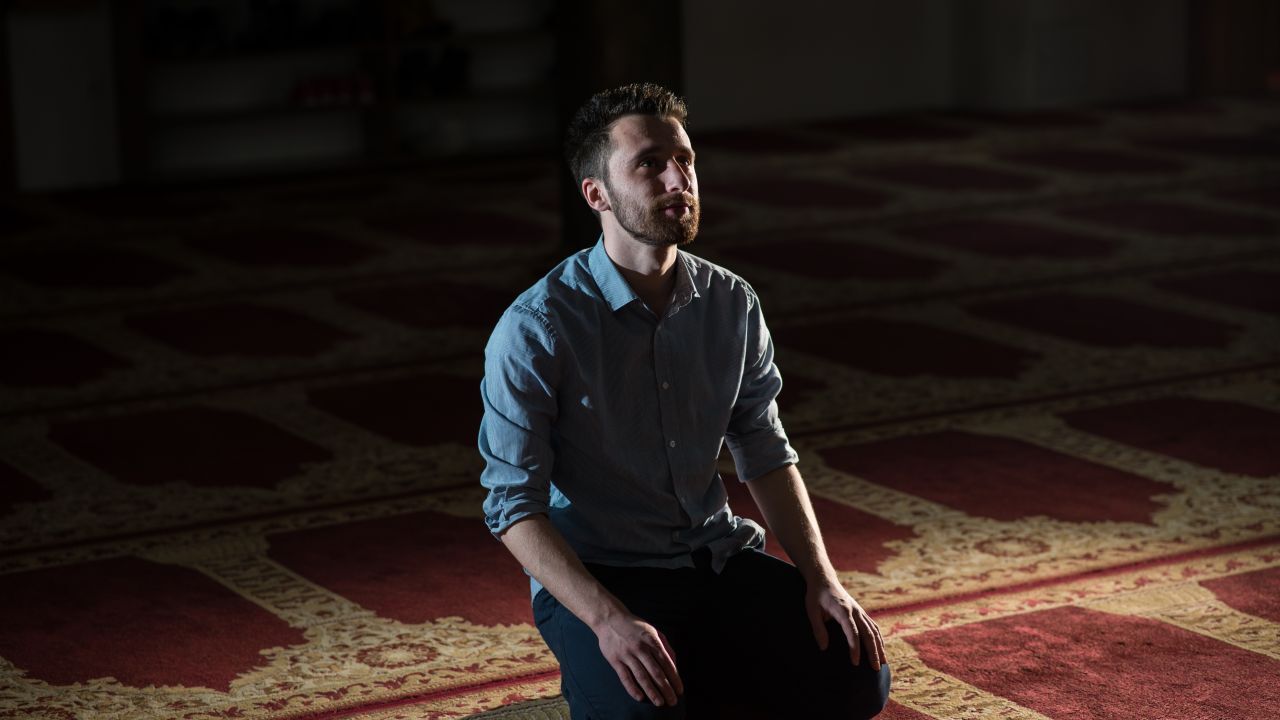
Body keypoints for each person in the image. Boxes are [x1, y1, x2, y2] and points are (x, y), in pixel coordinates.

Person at [479, 82, 891, 719]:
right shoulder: (537, 328)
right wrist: (608, 621)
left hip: (714, 558)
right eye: (649, 164)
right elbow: (513, 505)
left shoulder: (731, 303)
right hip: (605, 579)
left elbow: (764, 451)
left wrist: (822, 579)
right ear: (597, 195)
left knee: (858, 678)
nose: (679, 180)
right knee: (645, 711)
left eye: (685, 159)